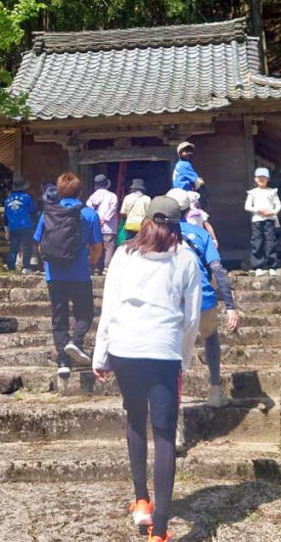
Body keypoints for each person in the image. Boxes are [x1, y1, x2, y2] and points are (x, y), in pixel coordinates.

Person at [92, 197, 202, 542]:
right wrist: (182, 356)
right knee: (165, 433)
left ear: (145, 222)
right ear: (177, 223)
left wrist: (101, 355)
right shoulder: (185, 258)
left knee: (135, 419)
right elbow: (192, 317)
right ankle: (162, 530)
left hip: (125, 347)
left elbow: (110, 305)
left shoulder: (124, 254)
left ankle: (142, 501)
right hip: (163, 350)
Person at [166, 188, 239, 409]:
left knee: (173, 348)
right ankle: (215, 387)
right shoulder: (201, 234)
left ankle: (173, 398)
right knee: (210, 336)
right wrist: (230, 305)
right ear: (189, 209)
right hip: (204, 296)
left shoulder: (161, 235)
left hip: (173, 298)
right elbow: (217, 269)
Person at [34, 172, 103, 378]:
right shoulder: (89, 214)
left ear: (58, 190)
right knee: (85, 313)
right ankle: (76, 341)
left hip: (54, 274)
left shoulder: (49, 212)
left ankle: (63, 362)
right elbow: (97, 247)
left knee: (59, 317)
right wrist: (90, 261)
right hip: (80, 273)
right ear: (81, 191)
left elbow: (39, 244)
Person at [244, 167, 281, 277]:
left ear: (268, 179)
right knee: (257, 241)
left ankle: (272, 265)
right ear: (255, 179)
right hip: (257, 219)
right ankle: (258, 266)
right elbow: (247, 206)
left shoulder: (272, 191)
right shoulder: (252, 193)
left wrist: (273, 212)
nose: (261, 180)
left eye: (264, 178)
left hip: (269, 219)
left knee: (270, 241)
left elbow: (278, 205)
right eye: (259, 178)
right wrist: (258, 210)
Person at [86, 174, 119, 274]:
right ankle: (106, 268)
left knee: (96, 246)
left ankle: (96, 267)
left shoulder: (92, 197)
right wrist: (105, 219)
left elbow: (89, 209)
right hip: (109, 227)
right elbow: (113, 209)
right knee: (108, 247)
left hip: (95, 227)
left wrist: (97, 220)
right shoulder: (112, 196)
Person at [3, 178, 35, 273]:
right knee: (26, 246)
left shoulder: (7, 200)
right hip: (25, 225)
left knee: (14, 247)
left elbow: (5, 216)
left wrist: (6, 230)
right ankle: (26, 267)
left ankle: (11, 266)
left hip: (13, 226)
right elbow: (31, 210)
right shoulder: (26, 197)